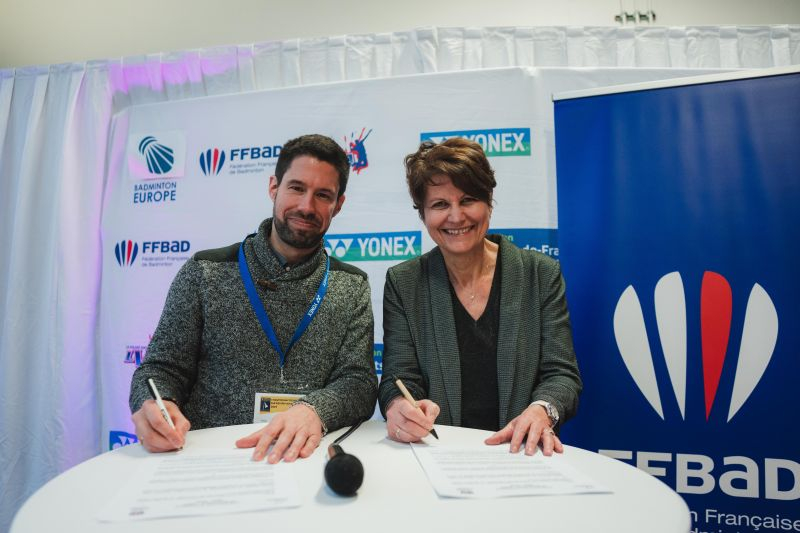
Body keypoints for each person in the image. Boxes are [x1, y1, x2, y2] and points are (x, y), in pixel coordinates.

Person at [130, 134, 377, 463]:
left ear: (339, 204)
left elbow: (359, 383)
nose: (306, 206)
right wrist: (153, 403)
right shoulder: (205, 272)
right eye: (296, 188)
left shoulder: (351, 285)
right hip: (207, 461)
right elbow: (161, 369)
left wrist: (315, 410)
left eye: (323, 195)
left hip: (303, 460)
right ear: (274, 187)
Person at [378, 138, 582, 456]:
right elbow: (400, 376)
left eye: (468, 200)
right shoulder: (404, 283)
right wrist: (401, 406)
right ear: (423, 214)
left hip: (521, 454)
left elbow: (561, 374)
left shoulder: (540, 274)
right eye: (440, 204)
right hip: (438, 456)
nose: (456, 216)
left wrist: (543, 409)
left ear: (489, 202)